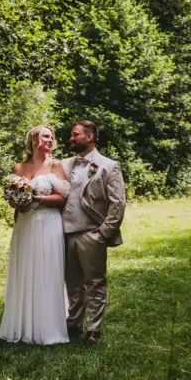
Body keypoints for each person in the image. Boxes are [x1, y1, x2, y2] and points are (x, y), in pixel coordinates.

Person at [0, 125, 71, 345]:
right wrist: (17, 201)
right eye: (46, 136)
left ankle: (48, 326)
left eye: (52, 137)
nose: (50, 140)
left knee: (47, 270)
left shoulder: (55, 165)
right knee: (25, 269)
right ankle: (22, 325)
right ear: (34, 139)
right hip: (25, 224)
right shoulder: (19, 167)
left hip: (49, 223)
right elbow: (12, 199)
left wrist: (36, 199)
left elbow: (62, 197)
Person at [61, 120, 127, 344]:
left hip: (92, 234)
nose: (71, 138)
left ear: (89, 137)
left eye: (75, 134)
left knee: (95, 283)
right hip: (65, 234)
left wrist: (103, 234)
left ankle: (94, 330)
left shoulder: (108, 166)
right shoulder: (64, 164)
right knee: (73, 284)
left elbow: (118, 203)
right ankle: (73, 324)